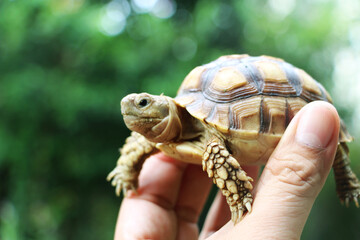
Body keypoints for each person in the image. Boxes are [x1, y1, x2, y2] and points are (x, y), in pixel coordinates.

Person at [113, 101, 340, 239]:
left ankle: (345, 174)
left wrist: (239, 196)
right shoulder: (157, 139)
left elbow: (216, 152)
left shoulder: (211, 139)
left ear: (169, 108)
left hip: (305, 117)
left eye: (143, 104)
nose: (130, 108)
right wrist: (127, 171)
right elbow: (138, 145)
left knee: (214, 151)